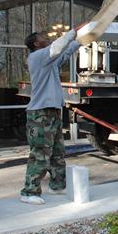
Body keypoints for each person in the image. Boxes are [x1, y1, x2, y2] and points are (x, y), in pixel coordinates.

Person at [20, 24, 84, 205]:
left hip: (52, 112)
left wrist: (79, 41)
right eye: (41, 37)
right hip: (40, 115)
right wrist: (73, 32)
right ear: (35, 44)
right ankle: (29, 191)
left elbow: (63, 53)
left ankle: (57, 186)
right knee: (40, 153)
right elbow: (57, 47)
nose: (45, 38)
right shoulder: (36, 57)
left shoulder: (47, 62)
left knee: (57, 152)